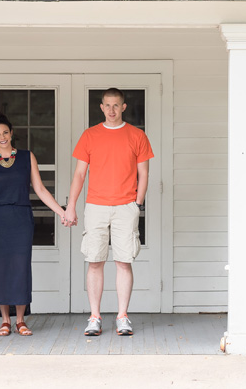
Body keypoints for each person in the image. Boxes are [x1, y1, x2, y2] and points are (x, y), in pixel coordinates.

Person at [64, 88, 153, 337]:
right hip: (96, 205)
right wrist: (71, 205)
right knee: (95, 261)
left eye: (116, 105)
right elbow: (80, 174)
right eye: (107, 105)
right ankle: (95, 317)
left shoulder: (137, 135)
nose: (112, 110)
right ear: (101, 107)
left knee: (124, 262)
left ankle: (122, 316)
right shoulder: (90, 136)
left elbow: (143, 173)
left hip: (126, 206)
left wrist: (137, 204)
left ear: (123, 107)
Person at [0, 112, 66, 337]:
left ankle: (21, 321)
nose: (2, 137)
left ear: (12, 132)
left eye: (5, 132)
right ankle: (5, 321)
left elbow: (40, 189)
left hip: (20, 220)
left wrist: (61, 211)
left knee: (20, 268)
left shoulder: (27, 157)